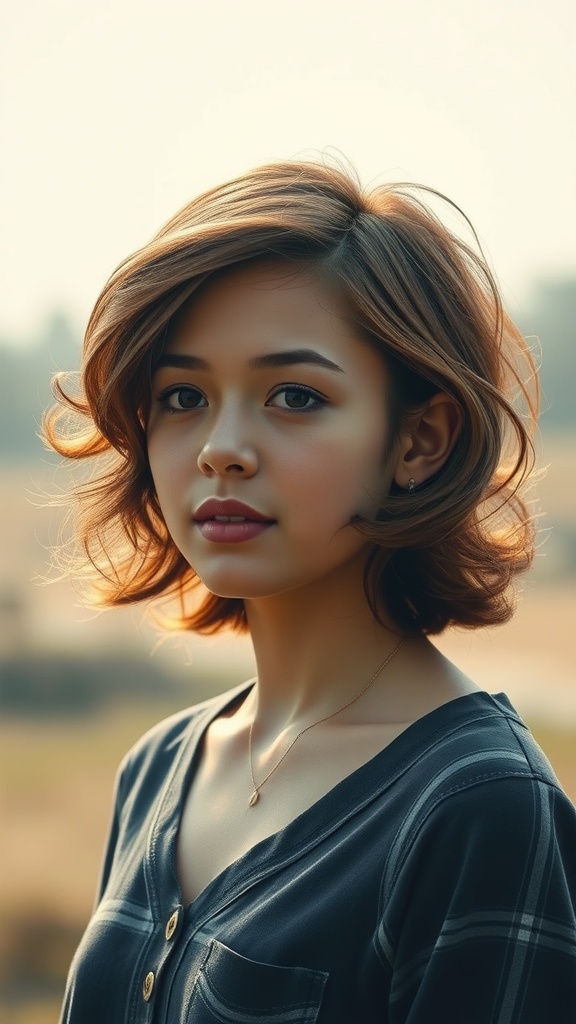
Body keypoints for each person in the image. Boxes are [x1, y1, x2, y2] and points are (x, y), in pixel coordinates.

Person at [46, 160, 576, 1023]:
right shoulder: (159, 766)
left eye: (294, 395)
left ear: (419, 441)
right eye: (182, 396)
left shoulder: (482, 807)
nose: (221, 448)